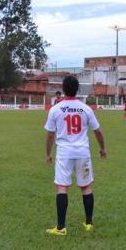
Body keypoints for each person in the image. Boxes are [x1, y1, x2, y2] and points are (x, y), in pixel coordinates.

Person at [44, 75, 106, 236]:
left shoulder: (56, 109)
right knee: (86, 187)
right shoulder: (86, 108)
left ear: (63, 89)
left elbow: (50, 134)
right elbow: (97, 131)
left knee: (62, 187)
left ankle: (61, 228)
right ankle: (89, 223)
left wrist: (48, 154)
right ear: (78, 89)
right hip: (82, 152)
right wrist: (102, 148)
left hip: (64, 153)